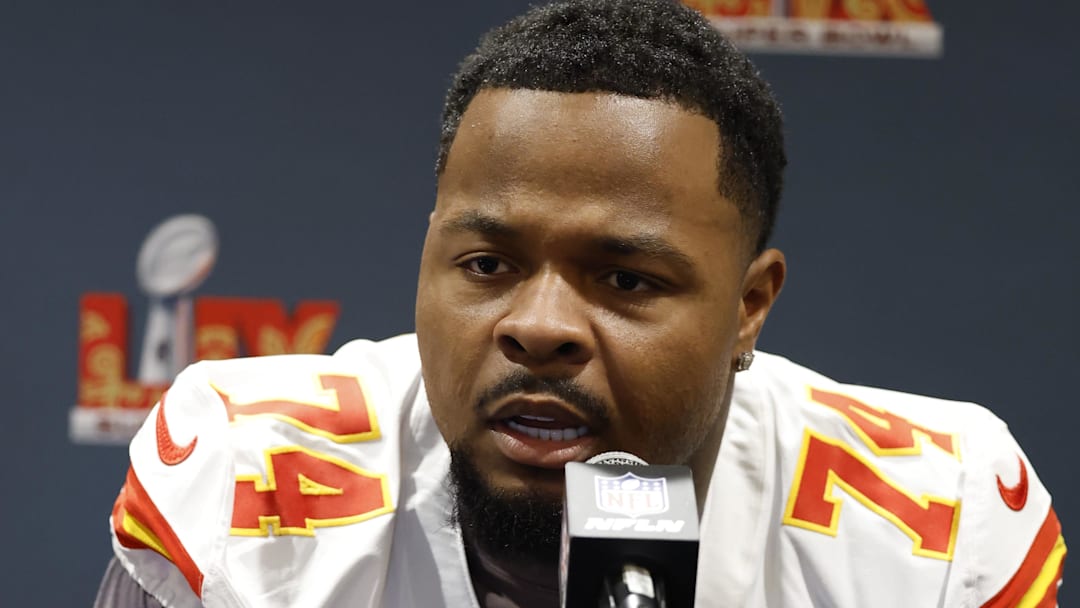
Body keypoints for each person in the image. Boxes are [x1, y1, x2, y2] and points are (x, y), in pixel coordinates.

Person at [95, 0, 1065, 606]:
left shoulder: (934, 525)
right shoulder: (247, 475)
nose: (540, 325)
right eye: (486, 264)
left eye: (627, 280)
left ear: (749, 306)